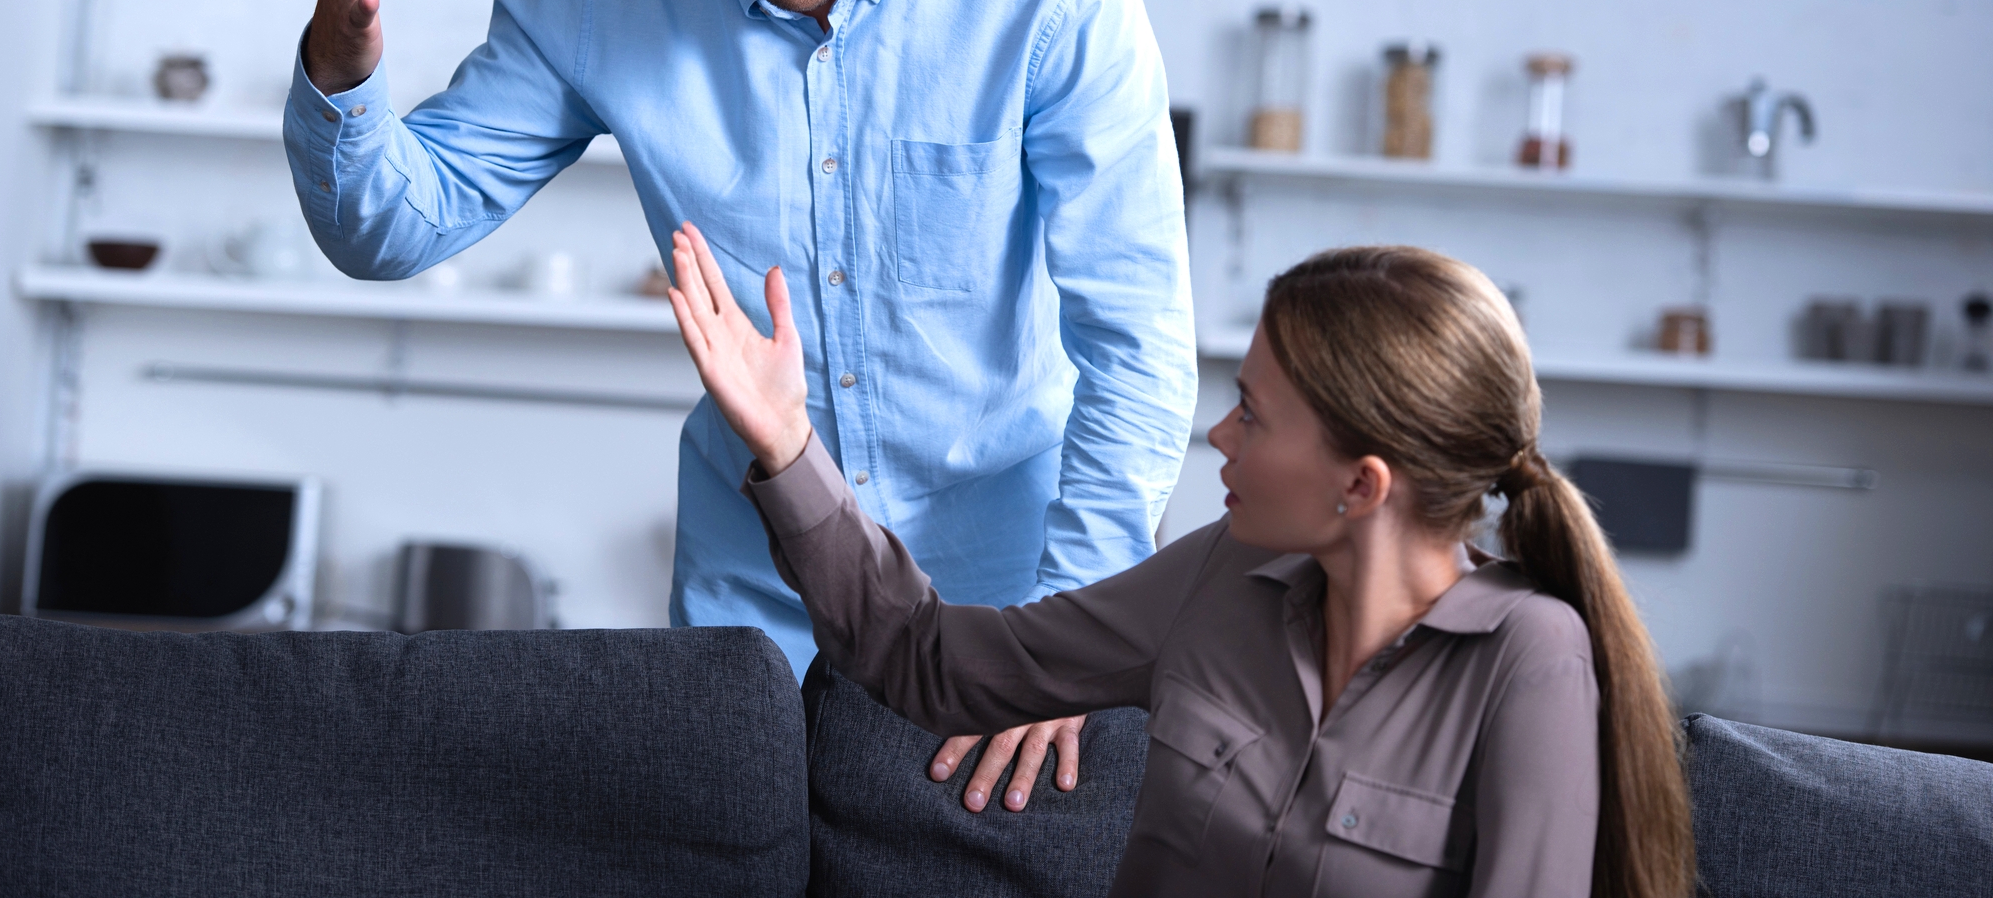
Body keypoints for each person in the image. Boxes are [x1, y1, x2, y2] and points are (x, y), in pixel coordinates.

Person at [285, 0, 1195, 810]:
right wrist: (341, 66)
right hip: (753, 605)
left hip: (1010, 594)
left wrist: (1072, 635)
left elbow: (1138, 338)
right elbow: (389, 229)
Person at [665, 225, 1696, 898]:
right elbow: (929, 661)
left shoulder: (1528, 659)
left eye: (1253, 413)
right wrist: (788, 446)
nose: (1219, 439)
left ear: (1361, 485)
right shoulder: (1218, 575)